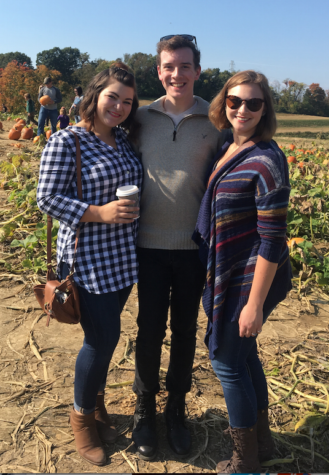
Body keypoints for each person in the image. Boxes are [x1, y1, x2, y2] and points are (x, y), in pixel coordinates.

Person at [36, 63, 142, 467]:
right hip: (87, 259)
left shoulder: (124, 141)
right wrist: (99, 212)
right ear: (95, 95)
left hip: (123, 257)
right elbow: (46, 198)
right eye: (112, 96)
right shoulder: (68, 141)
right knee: (100, 341)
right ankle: (81, 418)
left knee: (108, 338)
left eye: (127, 101)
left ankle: (97, 409)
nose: (118, 106)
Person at [131, 35, 228, 461]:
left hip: (193, 247)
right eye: (169, 66)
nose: (176, 74)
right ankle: (145, 407)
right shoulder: (139, 118)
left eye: (185, 66)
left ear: (198, 71)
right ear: (158, 71)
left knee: (186, 332)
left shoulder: (215, 120)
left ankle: (176, 409)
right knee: (148, 330)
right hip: (147, 245)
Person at [192, 70, 293, 473]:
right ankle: (263, 443)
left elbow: (272, 240)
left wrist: (253, 306)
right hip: (230, 271)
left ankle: (245, 461)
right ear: (223, 104)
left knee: (226, 362)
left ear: (265, 108)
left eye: (254, 103)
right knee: (245, 355)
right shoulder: (229, 146)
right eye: (235, 101)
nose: (243, 109)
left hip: (251, 279)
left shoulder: (267, 162)